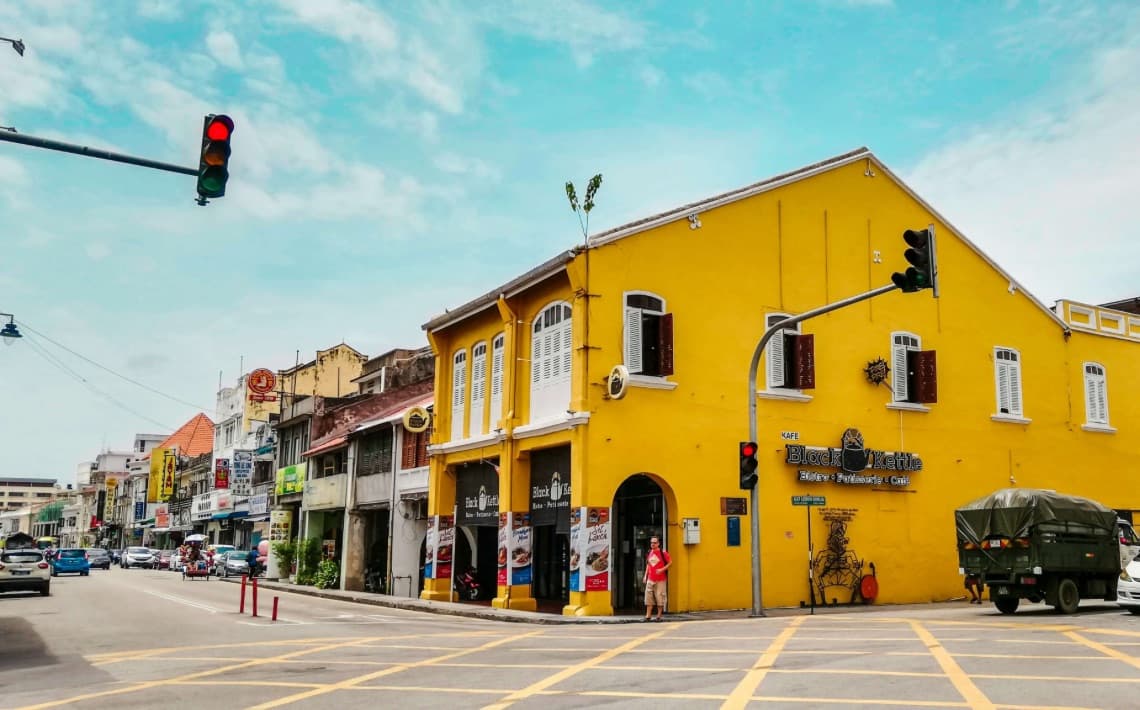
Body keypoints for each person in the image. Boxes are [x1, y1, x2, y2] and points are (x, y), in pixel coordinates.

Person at [643, 536, 671, 622]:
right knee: (648, 597)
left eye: (655, 543)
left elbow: (670, 563)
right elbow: (648, 564)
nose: (653, 544)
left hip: (660, 580)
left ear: (658, 543)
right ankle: (648, 616)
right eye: (651, 542)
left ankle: (659, 616)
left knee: (660, 598)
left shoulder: (663, 553)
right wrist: (645, 576)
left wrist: (662, 569)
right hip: (650, 579)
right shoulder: (649, 552)